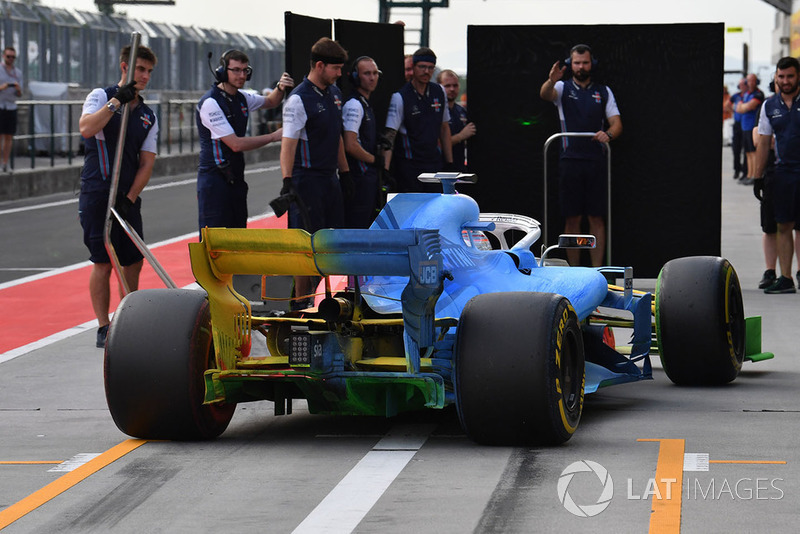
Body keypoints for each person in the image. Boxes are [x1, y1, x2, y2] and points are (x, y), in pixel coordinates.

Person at [78, 45, 158, 347]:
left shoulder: (148, 115)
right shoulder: (100, 95)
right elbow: (86, 128)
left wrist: (131, 196)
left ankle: (126, 318)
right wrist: (115, 102)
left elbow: (147, 162)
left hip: (127, 195)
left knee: (133, 260)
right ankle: (102, 325)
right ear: (125, 67)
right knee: (102, 260)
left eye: (149, 71)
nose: (145, 76)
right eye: (140, 69)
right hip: (97, 190)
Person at [280, 37, 351, 308]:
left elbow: (338, 138)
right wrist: (287, 182)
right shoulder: (299, 99)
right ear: (320, 65)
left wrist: (345, 174)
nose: (340, 73)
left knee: (332, 241)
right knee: (305, 244)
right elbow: (288, 145)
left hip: (329, 178)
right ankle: (301, 301)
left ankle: (330, 300)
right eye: (336, 68)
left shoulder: (335, 94)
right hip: (305, 179)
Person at [539, 44, 622, 267]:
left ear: (591, 63)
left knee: (596, 217)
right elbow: (546, 94)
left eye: (585, 62)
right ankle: (574, 272)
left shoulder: (603, 91)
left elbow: (616, 124)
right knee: (572, 218)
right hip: (569, 161)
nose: (581, 67)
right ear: (570, 64)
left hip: (596, 161)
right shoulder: (562, 87)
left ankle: (599, 271)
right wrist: (550, 79)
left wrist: (608, 134)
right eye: (577, 63)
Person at [196, 50, 293, 235]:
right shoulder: (210, 103)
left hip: (236, 177)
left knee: (238, 236)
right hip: (215, 180)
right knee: (214, 242)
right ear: (223, 72)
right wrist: (274, 136)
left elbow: (271, 101)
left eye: (245, 70)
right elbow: (235, 144)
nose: (242, 75)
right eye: (236, 70)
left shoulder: (242, 97)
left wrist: (280, 87)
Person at [754, 56, 800, 294]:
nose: (785, 81)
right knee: (783, 225)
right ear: (775, 78)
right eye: (781, 77)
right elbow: (762, 142)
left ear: (798, 76)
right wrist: (758, 176)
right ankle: (786, 278)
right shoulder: (769, 106)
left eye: (790, 76)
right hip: (783, 173)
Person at [383, 47, 454, 193]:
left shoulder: (439, 92)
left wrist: (449, 162)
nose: (426, 71)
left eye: (430, 68)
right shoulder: (400, 97)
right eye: (422, 67)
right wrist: (385, 170)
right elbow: (390, 134)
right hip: (410, 165)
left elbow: (444, 127)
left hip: (434, 162)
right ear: (413, 67)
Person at [342, 56, 383, 228]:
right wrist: (375, 160)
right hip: (359, 176)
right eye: (367, 73)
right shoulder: (354, 105)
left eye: (375, 73)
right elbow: (350, 145)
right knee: (358, 225)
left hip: (367, 176)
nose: (372, 78)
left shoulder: (364, 103)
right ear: (355, 77)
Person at [438, 69, 475, 172]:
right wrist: (461, 136)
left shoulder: (461, 111)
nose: (452, 89)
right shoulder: (435, 112)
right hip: (441, 168)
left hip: (460, 168)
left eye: (455, 85)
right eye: (447, 86)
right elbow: (437, 143)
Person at [736, 73, 764, 185]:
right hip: (744, 126)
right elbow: (739, 108)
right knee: (747, 152)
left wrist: (743, 107)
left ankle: (754, 175)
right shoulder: (746, 94)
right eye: (748, 81)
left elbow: (749, 106)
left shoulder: (758, 94)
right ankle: (749, 174)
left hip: (752, 127)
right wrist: (743, 107)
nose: (750, 83)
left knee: (754, 153)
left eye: (752, 80)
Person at [0, 46, 22, 173]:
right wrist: (2, 87)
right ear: (4, 56)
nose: (11, 59)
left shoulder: (17, 73)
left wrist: (18, 89)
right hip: (0, 105)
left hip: (11, 106)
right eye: (8, 56)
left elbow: (20, 94)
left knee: (9, 137)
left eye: (13, 57)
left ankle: (5, 163)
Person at [729, 78, 748, 180]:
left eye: (744, 84)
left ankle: (745, 171)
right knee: (736, 148)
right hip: (737, 124)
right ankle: (737, 169)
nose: (742, 86)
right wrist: (733, 110)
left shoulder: (748, 95)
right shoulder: (736, 96)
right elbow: (727, 104)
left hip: (745, 124)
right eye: (740, 84)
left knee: (746, 149)